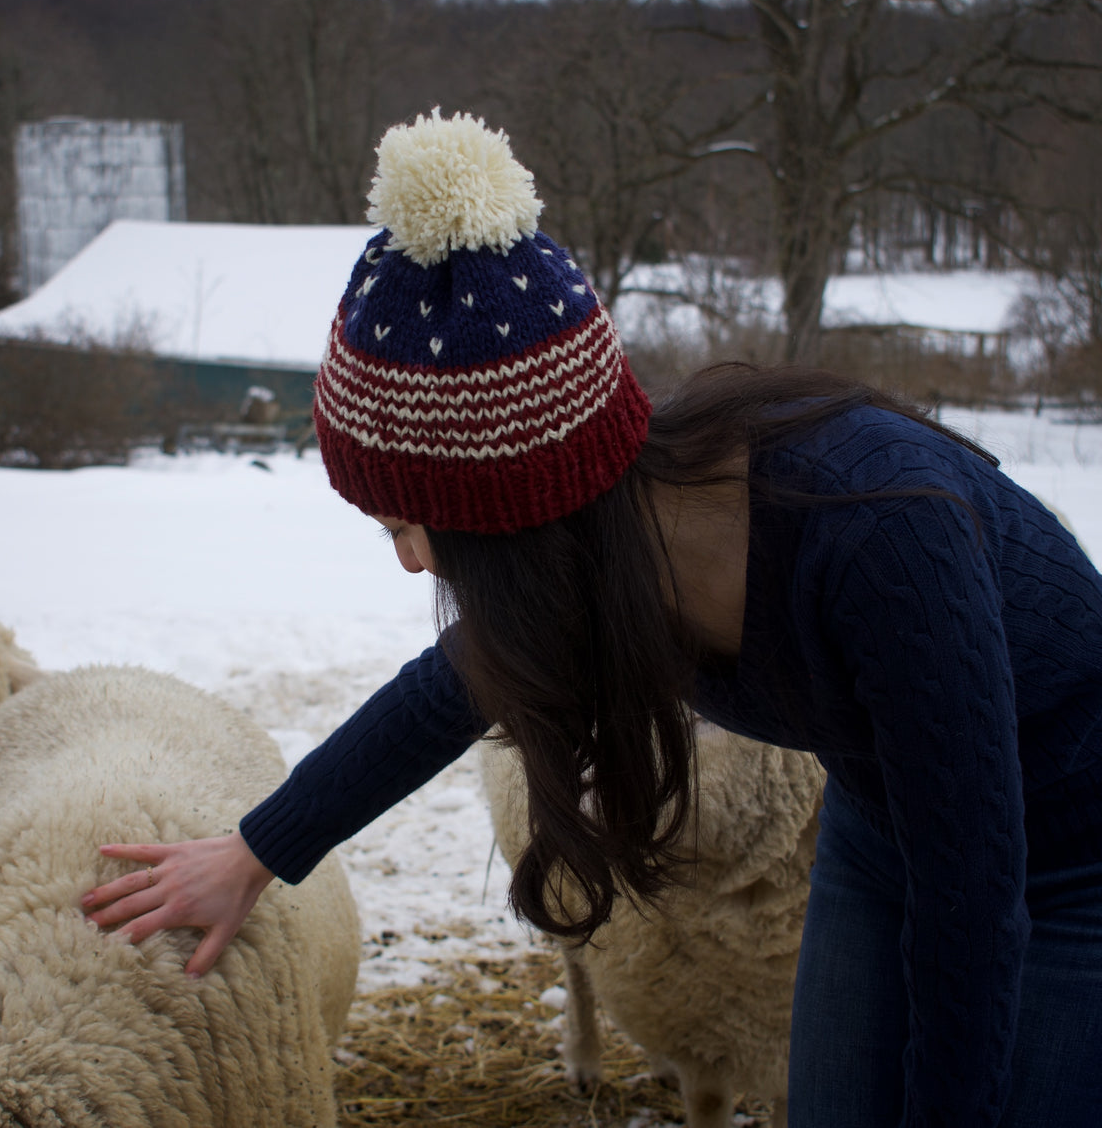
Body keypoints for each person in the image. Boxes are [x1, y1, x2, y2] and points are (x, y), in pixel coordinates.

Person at [80, 109, 1102, 1127]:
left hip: (1066, 863)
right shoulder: (607, 544)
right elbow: (447, 688)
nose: (410, 561)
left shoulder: (879, 537)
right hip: (886, 832)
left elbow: (973, 907)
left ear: (514, 511)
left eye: (415, 526)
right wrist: (257, 851)